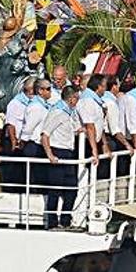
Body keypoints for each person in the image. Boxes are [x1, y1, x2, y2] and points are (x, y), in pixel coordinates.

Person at [40, 85, 81, 229]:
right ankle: (52, 223)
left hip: (68, 153)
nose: (78, 101)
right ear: (71, 99)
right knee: (55, 190)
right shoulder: (58, 112)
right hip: (58, 152)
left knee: (72, 189)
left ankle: (65, 220)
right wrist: (50, 154)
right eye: (77, 98)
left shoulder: (69, 112)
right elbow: (45, 135)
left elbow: (70, 131)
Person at [21, 79, 53, 192]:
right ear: (40, 91)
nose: (51, 91)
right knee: (34, 178)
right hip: (33, 145)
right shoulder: (36, 107)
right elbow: (28, 128)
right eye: (48, 89)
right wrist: (23, 142)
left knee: (40, 177)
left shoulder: (43, 105)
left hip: (40, 145)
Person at [3, 78, 35, 189]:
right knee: (12, 170)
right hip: (15, 141)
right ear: (30, 90)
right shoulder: (15, 103)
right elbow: (10, 124)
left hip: (24, 141)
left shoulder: (32, 102)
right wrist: (14, 142)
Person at [77, 75, 108, 164]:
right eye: (105, 86)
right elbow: (89, 126)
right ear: (99, 87)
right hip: (86, 143)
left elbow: (99, 123)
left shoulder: (96, 100)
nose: (106, 89)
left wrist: (104, 144)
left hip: (94, 141)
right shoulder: (87, 100)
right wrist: (94, 150)